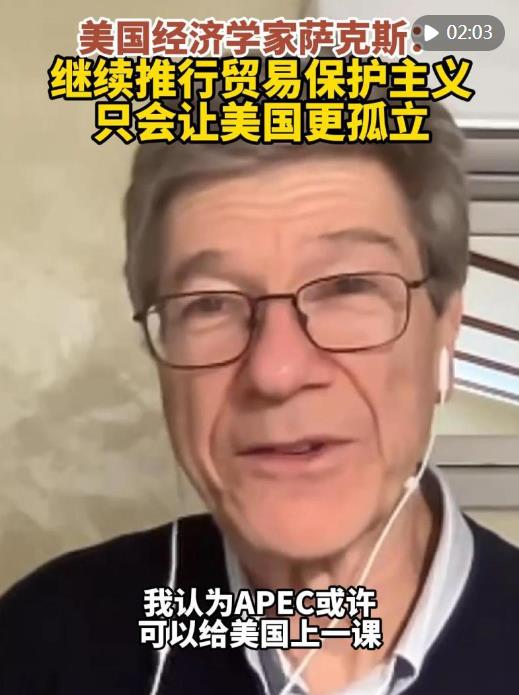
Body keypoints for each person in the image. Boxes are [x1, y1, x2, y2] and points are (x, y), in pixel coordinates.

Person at [1, 85, 518, 695]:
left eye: (348, 286)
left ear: (446, 328)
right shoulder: (38, 644)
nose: (276, 372)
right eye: (210, 303)